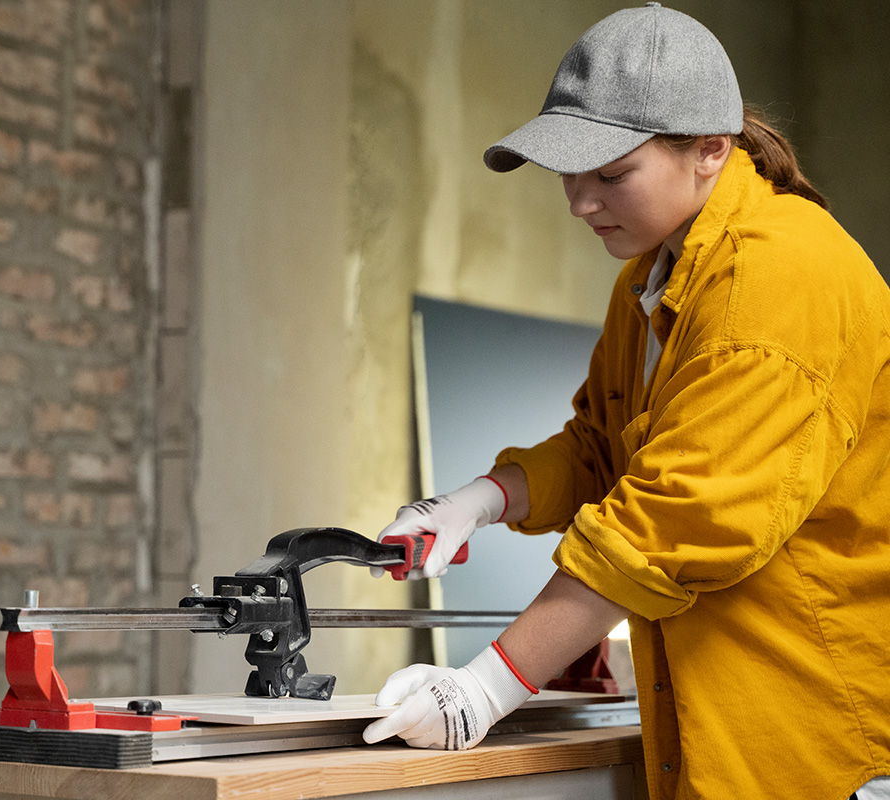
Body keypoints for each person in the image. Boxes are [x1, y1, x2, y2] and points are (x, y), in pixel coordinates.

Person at [360, 4, 890, 799]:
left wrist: (485, 691)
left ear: (712, 148)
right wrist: (477, 500)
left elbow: (667, 521)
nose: (581, 202)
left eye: (611, 175)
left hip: (808, 735)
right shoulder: (653, 275)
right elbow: (604, 446)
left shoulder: (780, 280)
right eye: (569, 172)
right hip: (720, 719)